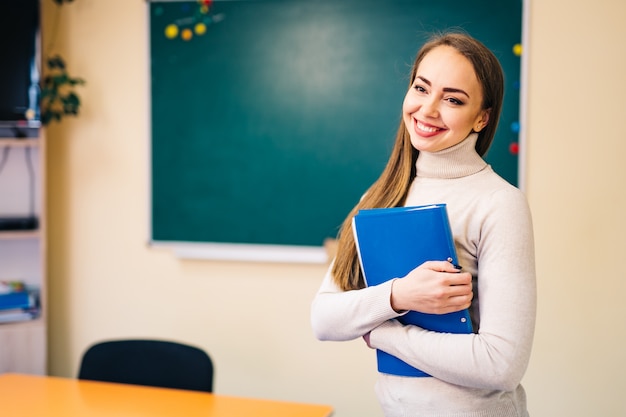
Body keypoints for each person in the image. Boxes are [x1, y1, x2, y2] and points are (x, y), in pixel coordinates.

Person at [311, 31, 536, 417]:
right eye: (421, 88)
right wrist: (398, 295)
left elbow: (501, 364)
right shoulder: (380, 196)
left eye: (452, 99)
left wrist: (382, 331)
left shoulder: (500, 203)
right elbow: (324, 319)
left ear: (481, 118)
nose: (428, 109)